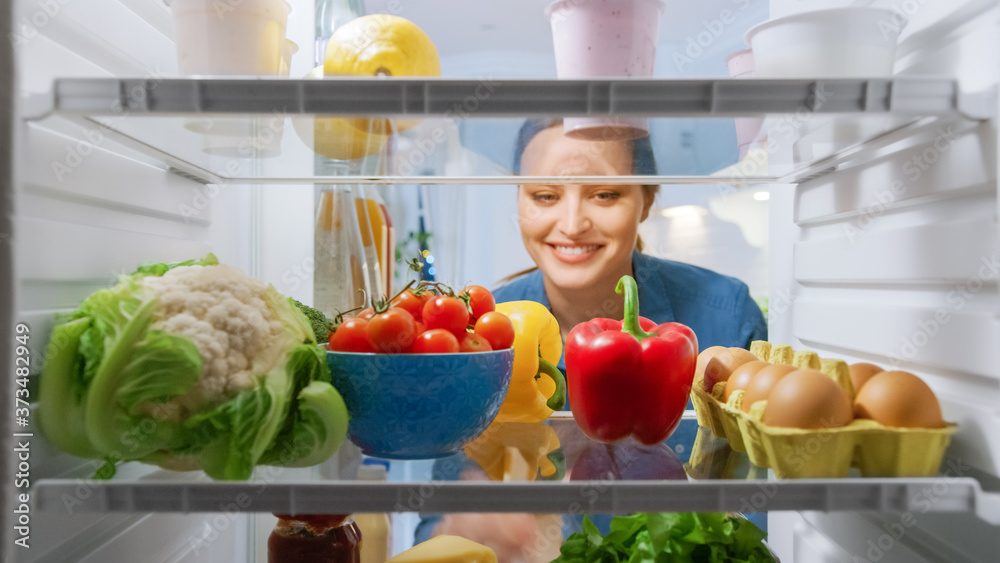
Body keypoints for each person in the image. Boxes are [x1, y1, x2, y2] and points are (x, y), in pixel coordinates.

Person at [414, 119, 767, 559]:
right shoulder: (479, 332)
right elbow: (434, 525)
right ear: (520, 201)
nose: (573, 223)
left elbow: (756, 516)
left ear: (646, 200)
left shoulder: (727, 314)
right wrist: (464, 528)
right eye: (544, 195)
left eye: (605, 194)